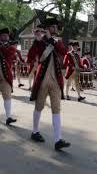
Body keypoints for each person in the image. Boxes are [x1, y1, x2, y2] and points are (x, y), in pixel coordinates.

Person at [27, 18, 70, 151]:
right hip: (42, 79)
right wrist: (36, 41)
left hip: (56, 81)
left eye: (56, 27)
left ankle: (58, 140)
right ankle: (35, 131)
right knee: (39, 106)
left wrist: (51, 39)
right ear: (47, 28)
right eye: (53, 27)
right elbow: (30, 57)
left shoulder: (57, 41)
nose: (56, 29)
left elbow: (64, 52)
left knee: (56, 109)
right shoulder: (39, 42)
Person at [0, 27, 17, 125]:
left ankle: (8, 117)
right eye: (3, 35)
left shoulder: (11, 47)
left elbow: (7, 54)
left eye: (6, 35)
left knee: (7, 97)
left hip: (5, 76)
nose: (5, 37)